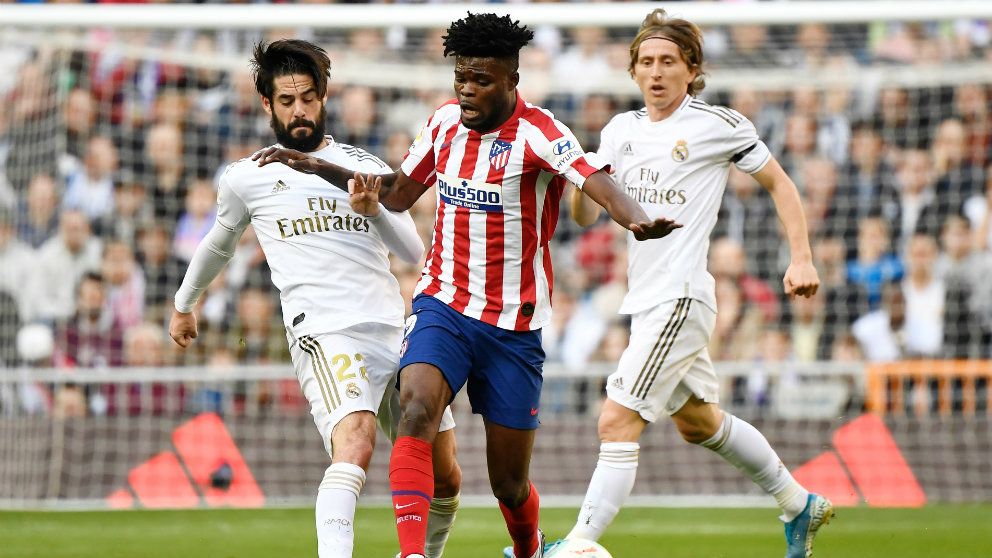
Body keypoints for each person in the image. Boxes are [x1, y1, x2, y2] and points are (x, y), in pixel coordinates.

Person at [253, 13, 680, 558]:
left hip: (514, 327)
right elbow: (399, 193)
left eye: (482, 81)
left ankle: (528, 548)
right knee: (416, 410)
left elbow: (594, 182)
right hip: (444, 305)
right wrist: (316, 167)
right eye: (462, 79)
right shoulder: (443, 125)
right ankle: (413, 555)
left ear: (511, 81)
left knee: (508, 484)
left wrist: (636, 220)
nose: (469, 91)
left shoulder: (539, 132)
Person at [168, 40, 461, 558]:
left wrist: (372, 209)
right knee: (356, 441)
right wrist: (184, 303)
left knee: (448, 478)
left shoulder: (358, 164)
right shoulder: (246, 176)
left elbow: (414, 251)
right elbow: (219, 241)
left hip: (395, 329)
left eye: (307, 96)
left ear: (324, 96)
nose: (298, 109)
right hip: (324, 331)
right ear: (268, 105)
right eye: (286, 100)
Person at [564, 9, 832, 558]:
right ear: (634, 71)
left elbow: (781, 185)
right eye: (646, 62)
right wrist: (581, 176)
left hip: (681, 297)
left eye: (668, 61)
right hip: (646, 299)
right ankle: (799, 502)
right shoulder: (619, 131)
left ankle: (578, 545)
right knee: (697, 422)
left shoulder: (719, 125)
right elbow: (584, 218)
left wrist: (801, 258)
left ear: (692, 69)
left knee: (616, 418)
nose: (656, 72)